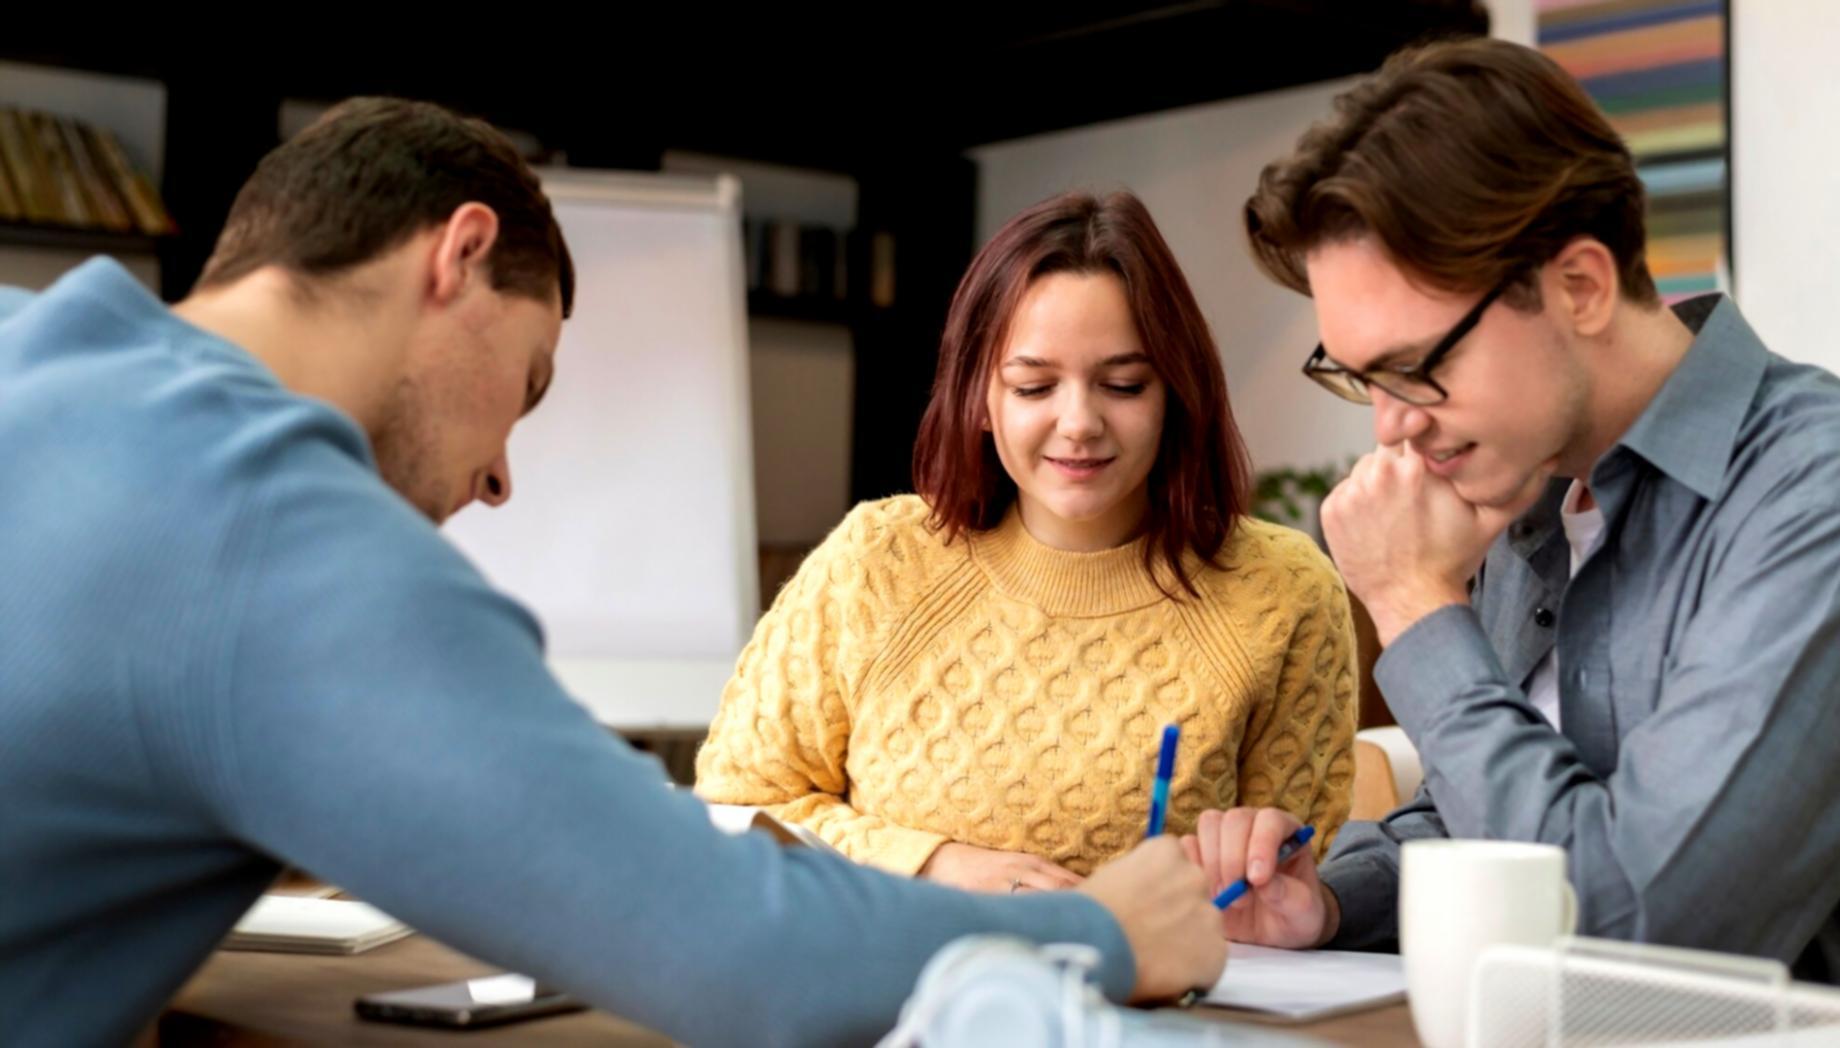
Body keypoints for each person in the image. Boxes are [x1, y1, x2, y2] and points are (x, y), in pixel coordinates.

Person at [0, 98, 1227, 1048]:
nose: (496, 480)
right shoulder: (269, 525)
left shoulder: (32, 350)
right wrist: (1098, 931)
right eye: (526, 387)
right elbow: (735, 951)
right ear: (459, 256)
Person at [1200, 36, 1840, 985]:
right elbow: (1493, 804)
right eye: (1359, 378)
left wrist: (1416, 607)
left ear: (1582, 287)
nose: (1390, 427)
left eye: (1415, 368)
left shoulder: (1818, 491)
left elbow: (1644, 927)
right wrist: (1340, 899)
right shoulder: (1527, 480)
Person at [696, 190, 1359, 926]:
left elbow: (1298, 884)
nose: (1078, 423)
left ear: (1177, 390)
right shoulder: (874, 562)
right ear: (980, 397)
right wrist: (937, 866)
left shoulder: (1281, 591)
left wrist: (1253, 890)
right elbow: (736, 809)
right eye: (1033, 385)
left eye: (1124, 384)